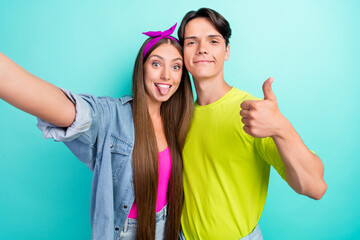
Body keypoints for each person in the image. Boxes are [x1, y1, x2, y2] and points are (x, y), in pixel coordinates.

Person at [0, 23, 194, 240]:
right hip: (128, 231)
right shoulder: (112, 116)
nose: (167, 75)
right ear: (142, 68)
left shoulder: (179, 121)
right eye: (156, 63)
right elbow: (72, 111)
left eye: (176, 67)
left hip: (169, 225)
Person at [176, 8, 327, 239]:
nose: (202, 49)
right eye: (191, 42)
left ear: (227, 51)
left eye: (213, 40)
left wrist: (281, 127)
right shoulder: (178, 115)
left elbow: (315, 187)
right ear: (182, 53)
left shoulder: (255, 112)